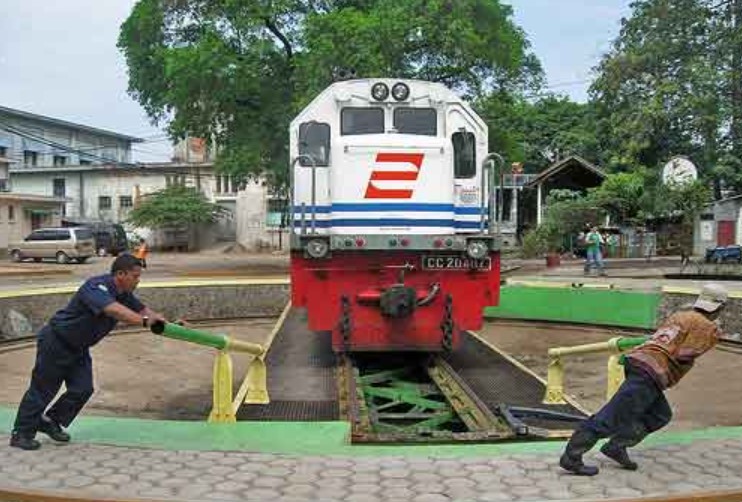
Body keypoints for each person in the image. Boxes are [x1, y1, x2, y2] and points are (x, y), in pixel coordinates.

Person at [559, 283, 728, 476]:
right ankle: (571, 457)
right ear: (720, 307)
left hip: (638, 363)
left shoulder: (681, 315)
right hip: (650, 372)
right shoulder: (707, 327)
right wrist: (710, 340)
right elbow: (683, 354)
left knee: (660, 415)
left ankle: (616, 446)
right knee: (611, 417)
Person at [10, 254, 166, 450]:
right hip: (56, 341)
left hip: (79, 347)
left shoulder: (124, 295)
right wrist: (145, 322)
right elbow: (114, 310)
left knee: (82, 389)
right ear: (120, 274)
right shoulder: (96, 287)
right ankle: (21, 433)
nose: (138, 280)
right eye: (135, 276)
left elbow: (145, 311)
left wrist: (169, 325)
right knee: (43, 389)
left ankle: (49, 421)